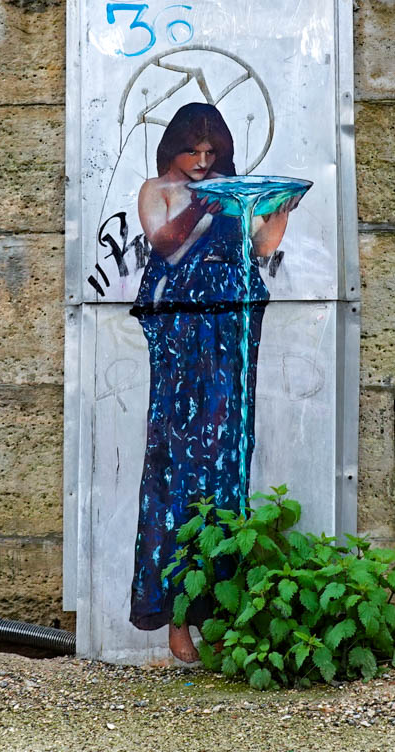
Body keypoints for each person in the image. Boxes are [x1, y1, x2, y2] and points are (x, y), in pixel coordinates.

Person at [127, 102, 297, 661]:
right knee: (176, 469)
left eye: (210, 151)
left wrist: (279, 211)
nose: (202, 161)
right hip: (179, 332)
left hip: (231, 329)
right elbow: (166, 244)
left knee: (226, 464)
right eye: (192, 150)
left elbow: (261, 248)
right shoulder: (158, 190)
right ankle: (176, 614)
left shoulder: (231, 191)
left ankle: (217, 612)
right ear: (172, 149)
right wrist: (204, 204)